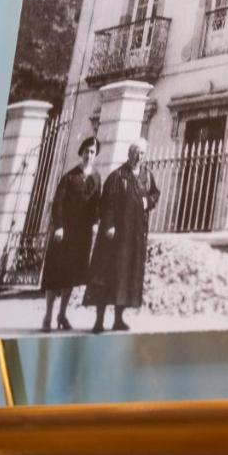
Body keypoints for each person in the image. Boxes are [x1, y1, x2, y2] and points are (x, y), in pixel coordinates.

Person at [84, 139, 160, 333]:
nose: (138, 157)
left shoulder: (147, 175)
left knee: (126, 278)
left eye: (142, 153)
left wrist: (147, 203)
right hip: (115, 236)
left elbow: (155, 194)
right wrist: (108, 225)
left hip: (134, 236)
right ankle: (99, 321)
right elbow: (107, 203)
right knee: (106, 276)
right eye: (135, 153)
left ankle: (118, 318)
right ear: (129, 154)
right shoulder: (117, 176)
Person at [39, 137, 102, 332]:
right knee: (55, 275)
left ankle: (62, 315)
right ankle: (48, 316)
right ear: (81, 152)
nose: (88, 155)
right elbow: (57, 203)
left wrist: (95, 223)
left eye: (92, 152)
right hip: (63, 233)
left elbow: (96, 204)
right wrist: (58, 226)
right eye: (86, 151)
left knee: (72, 276)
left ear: (95, 155)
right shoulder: (69, 177)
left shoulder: (97, 178)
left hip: (81, 236)